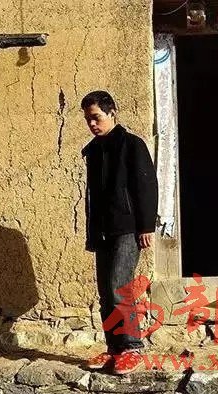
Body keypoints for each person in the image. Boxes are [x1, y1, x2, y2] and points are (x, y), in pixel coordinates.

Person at [80, 90, 158, 375]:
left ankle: (132, 347)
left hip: (128, 228)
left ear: (112, 113)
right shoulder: (93, 150)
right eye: (88, 119)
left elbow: (146, 186)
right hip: (102, 231)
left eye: (96, 117)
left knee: (118, 287)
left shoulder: (132, 145)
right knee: (105, 293)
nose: (92, 124)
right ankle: (114, 348)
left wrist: (146, 225)